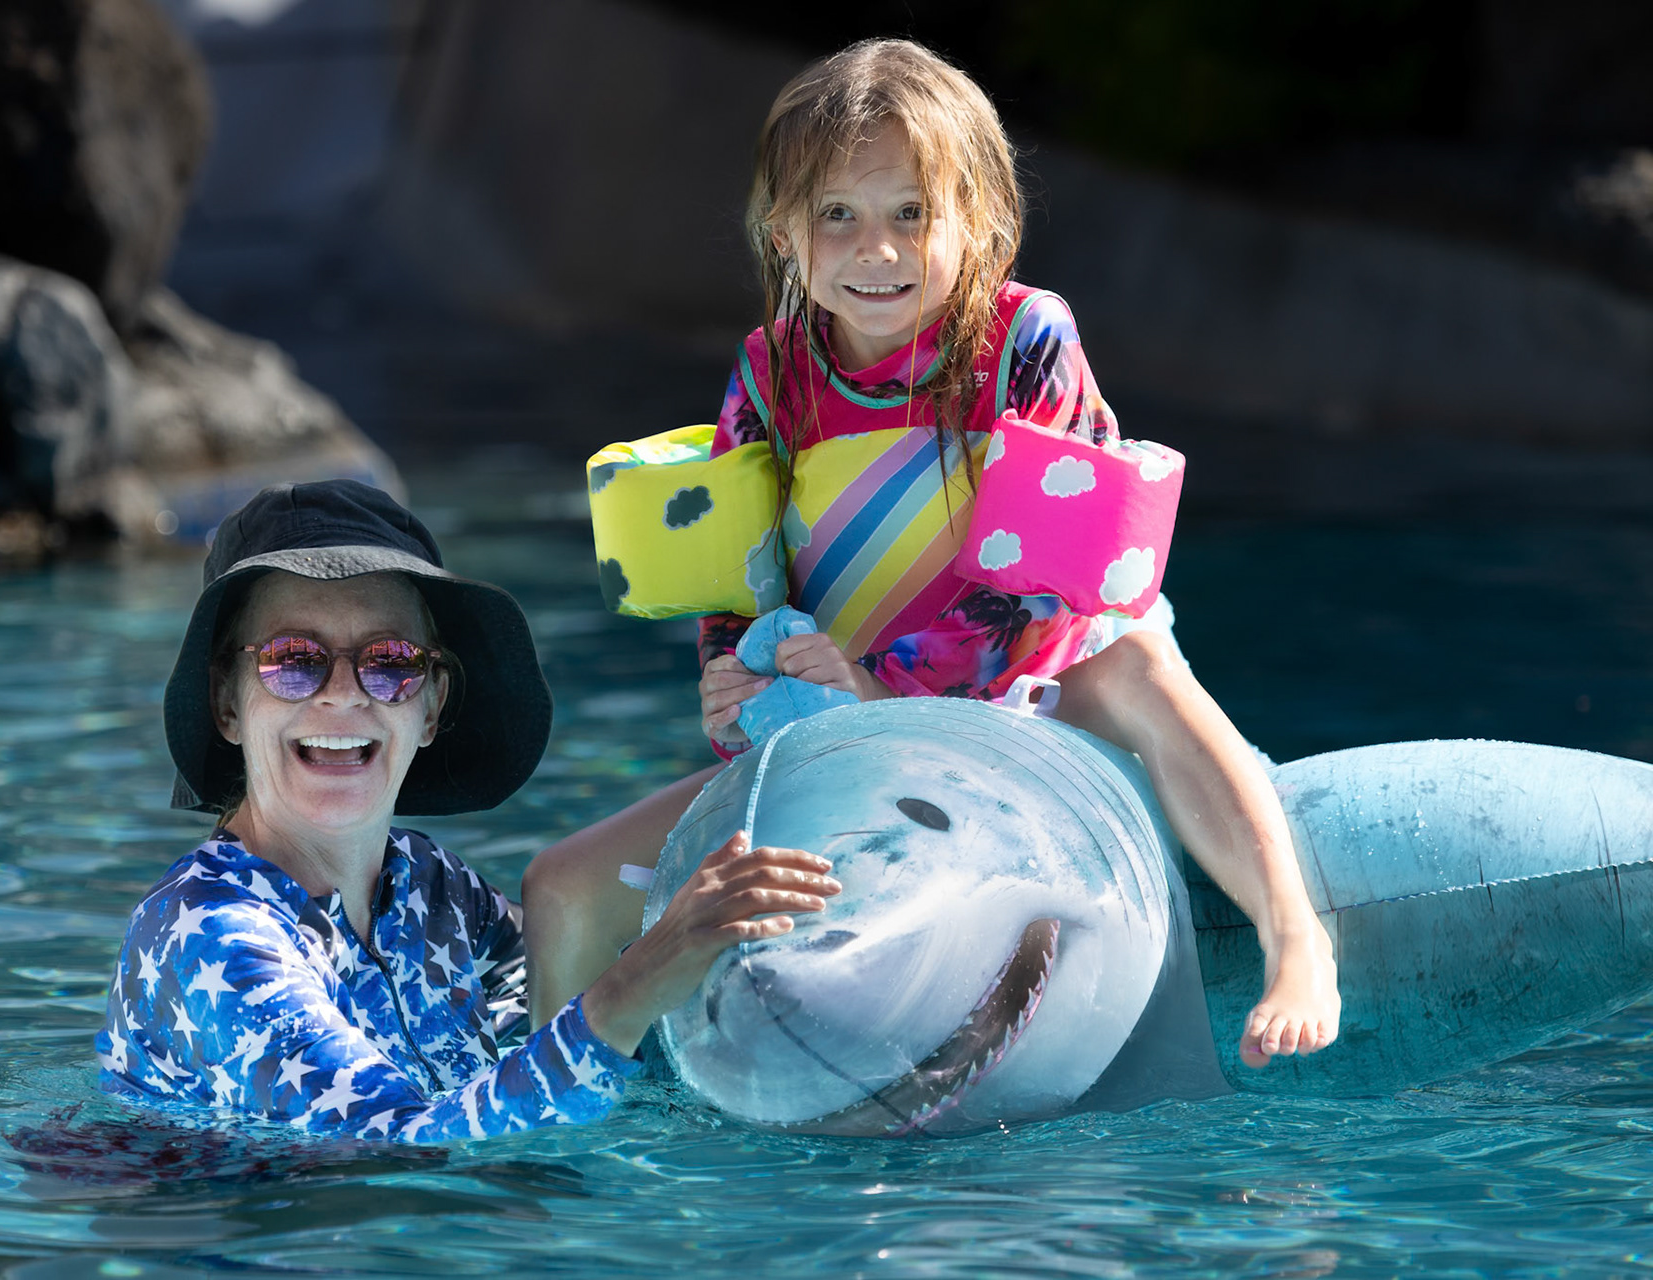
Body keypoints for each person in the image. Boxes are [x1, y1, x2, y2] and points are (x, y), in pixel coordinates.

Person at [525, 39, 1338, 1070]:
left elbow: (1037, 597)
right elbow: (740, 577)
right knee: (560, 882)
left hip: (1041, 674)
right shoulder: (771, 373)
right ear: (783, 233)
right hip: (847, 705)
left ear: (980, 223)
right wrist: (732, 679)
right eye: (839, 216)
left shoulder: (1024, 341)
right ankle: (565, 1107)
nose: (878, 251)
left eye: (912, 213)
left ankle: (1293, 932)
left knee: (1136, 662)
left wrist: (879, 687)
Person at [96, 480, 839, 1142]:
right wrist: (640, 979)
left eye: (390, 663)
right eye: (294, 659)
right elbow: (400, 1145)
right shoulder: (206, 935)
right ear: (228, 703)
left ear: (431, 708)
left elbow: (565, 1011)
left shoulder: (429, 890)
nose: (343, 694)